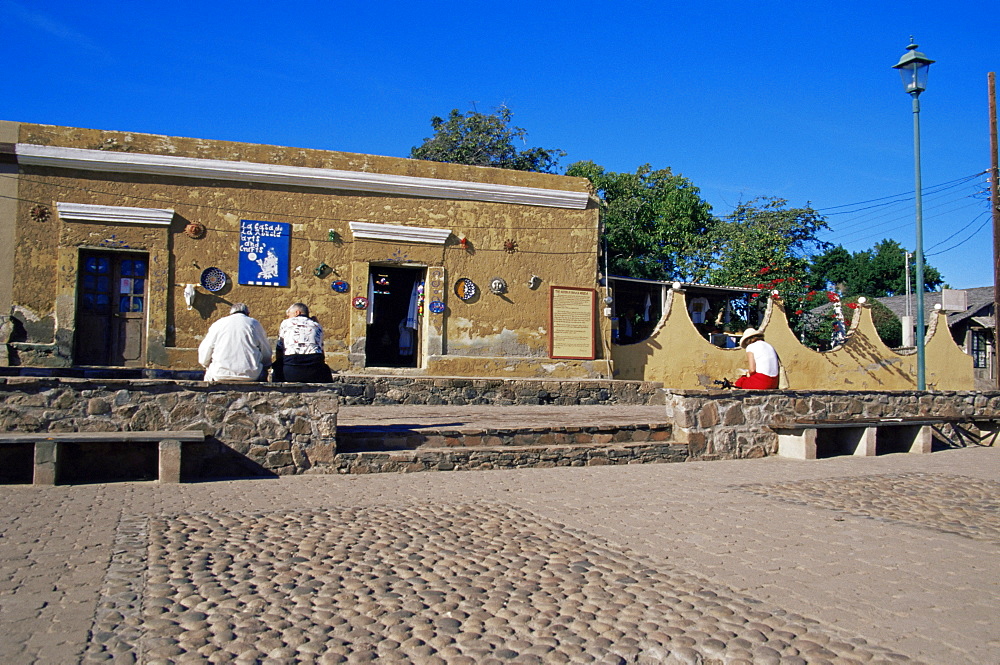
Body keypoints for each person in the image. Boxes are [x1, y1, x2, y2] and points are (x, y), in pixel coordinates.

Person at [198, 302, 271, 382]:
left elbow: (206, 348)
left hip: (220, 373)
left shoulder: (219, 323)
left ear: (230, 313)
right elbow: (265, 349)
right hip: (250, 374)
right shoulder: (254, 323)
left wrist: (205, 364)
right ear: (248, 313)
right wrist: (265, 364)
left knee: (208, 375)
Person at [274, 303, 332, 382]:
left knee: (276, 367)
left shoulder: (286, 323)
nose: (288, 317)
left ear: (297, 312)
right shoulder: (317, 325)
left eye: (289, 315)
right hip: (315, 372)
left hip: (291, 371)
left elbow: (279, 348)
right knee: (325, 369)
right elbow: (321, 352)